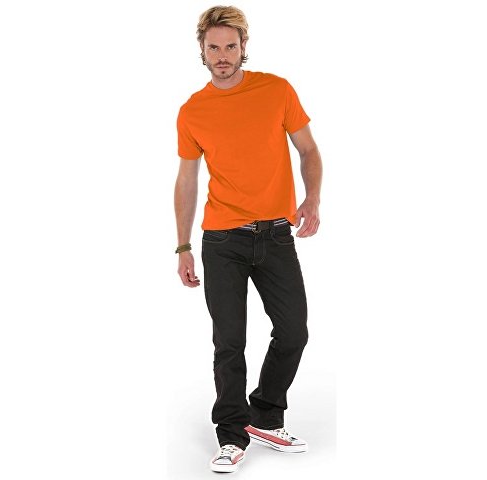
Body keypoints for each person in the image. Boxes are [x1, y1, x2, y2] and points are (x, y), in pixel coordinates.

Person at [174, 5, 323, 473]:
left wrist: (312, 198)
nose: (222, 55)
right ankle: (232, 434)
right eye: (214, 47)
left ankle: (265, 414)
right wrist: (183, 246)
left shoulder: (276, 90)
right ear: (202, 51)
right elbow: (187, 179)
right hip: (222, 240)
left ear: (243, 47)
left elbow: (308, 150)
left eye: (230, 46)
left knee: (294, 331)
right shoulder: (192, 111)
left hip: (277, 234)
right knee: (229, 343)